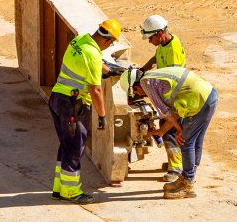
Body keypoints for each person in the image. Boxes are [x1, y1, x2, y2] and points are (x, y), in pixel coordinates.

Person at [49, 19, 122, 204]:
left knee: (66, 145)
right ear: (108, 41)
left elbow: (92, 63)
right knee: (74, 148)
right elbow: (95, 90)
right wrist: (102, 116)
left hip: (57, 97)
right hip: (73, 104)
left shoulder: (80, 40)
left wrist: (108, 70)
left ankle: (60, 188)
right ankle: (71, 193)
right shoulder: (92, 54)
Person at [119, 67, 218, 199]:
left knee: (185, 141)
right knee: (196, 140)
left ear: (135, 86)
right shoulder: (154, 77)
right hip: (209, 96)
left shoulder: (146, 83)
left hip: (199, 101)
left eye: (136, 92)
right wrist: (161, 131)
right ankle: (188, 177)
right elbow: (174, 113)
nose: (141, 95)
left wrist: (179, 130)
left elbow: (165, 113)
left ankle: (187, 185)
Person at [140, 15, 186, 182]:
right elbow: (156, 57)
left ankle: (176, 170)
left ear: (159, 33)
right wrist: (142, 70)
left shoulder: (173, 50)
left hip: (174, 95)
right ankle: (175, 162)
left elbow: (172, 80)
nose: (149, 41)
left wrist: (149, 89)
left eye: (151, 37)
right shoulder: (164, 43)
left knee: (170, 131)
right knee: (167, 128)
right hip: (168, 93)